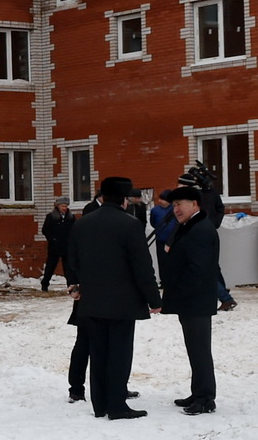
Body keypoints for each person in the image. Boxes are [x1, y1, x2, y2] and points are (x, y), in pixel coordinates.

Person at [64, 176, 161, 419]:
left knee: (97, 353)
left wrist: (75, 287)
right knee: (119, 353)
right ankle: (117, 405)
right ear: (125, 200)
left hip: (91, 300)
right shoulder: (129, 225)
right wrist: (154, 298)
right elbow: (142, 266)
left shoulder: (82, 223)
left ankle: (100, 404)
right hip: (123, 303)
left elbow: (71, 260)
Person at [158, 186, 220, 414]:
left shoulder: (201, 229)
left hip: (196, 300)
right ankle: (198, 392)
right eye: (174, 205)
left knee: (200, 350)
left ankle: (205, 398)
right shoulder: (189, 227)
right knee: (195, 349)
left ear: (195, 204)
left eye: (180, 204)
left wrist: (181, 292)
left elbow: (198, 269)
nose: (176, 209)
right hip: (189, 300)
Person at [178, 163, 238, 310]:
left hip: (200, 232)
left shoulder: (195, 197)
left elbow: (217, 208)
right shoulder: (208, 193)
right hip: (209, 230)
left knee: (204, 268)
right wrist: (214, 223)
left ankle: (225, 297)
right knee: (213, 267)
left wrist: (214, 222)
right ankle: (223, 294)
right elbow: (220, 208)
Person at [40, 197, 75, 291]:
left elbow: (74, 230)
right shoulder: (51, 217)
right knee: (50, 266)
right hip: (54, 246)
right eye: (63, 206)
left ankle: (70, 285)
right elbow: (45, 230)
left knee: (68, 267)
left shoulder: (71, 217)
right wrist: (52, 239)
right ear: (58, 206)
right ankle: (45, 284)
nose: (65, 208)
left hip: (67, 246)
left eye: (66, 206)